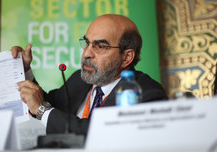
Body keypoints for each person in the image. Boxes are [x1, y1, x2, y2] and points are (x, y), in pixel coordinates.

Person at [12, 14, 167, 135]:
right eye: (87, 43)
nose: (86, 53)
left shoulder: (146, 94)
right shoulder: (80, 79)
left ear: (126, 57)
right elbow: (50, 105)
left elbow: (103, 135)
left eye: (100, 46)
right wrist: (24, 70)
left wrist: (41, 110)